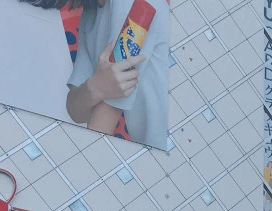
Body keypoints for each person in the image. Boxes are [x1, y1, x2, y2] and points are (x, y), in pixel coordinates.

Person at [22, 0, 170, 149]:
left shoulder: (133, 5)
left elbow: (104, 119)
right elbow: (76, 111)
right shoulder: (91, 14)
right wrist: (98, 86)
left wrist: (99, 88)